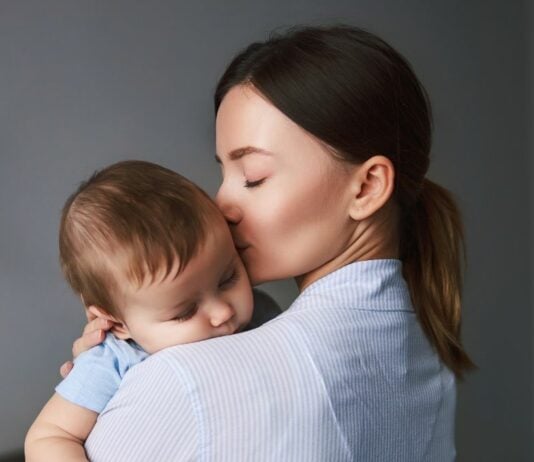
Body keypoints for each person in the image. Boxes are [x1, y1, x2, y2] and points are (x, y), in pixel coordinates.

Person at [60, 25, 474, 461]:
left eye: (253, 177)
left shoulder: (184, 379)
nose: (221, 205)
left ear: (368, 187)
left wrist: (118, 383)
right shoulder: (431, 365)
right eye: (223, 173)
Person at [24, 160, 280, 461]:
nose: (222, 312)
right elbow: (49, 435)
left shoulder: (263, 313)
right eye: (184, 312)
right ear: (118, 324)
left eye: (228, 278)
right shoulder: (114, 359)